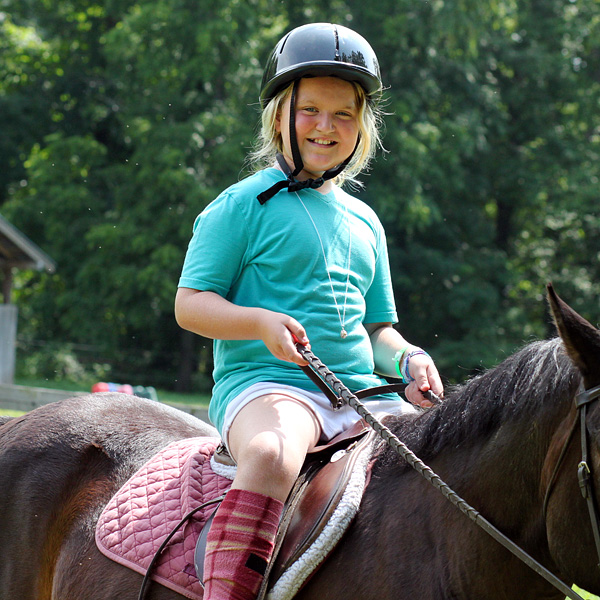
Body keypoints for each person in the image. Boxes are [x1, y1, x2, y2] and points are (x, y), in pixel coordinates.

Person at [175, 22, 444, 600]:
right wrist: (259, 323)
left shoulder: (365, 221)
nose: (326, 127)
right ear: (279, 116)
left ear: (362, 128)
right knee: (273, 454)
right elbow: (189, 305)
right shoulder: (240, 206)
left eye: (344, 114)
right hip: (268, 387)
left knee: (446, 459)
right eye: (311, 110)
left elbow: (377, 329)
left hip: (362, 393)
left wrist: (411, 358)